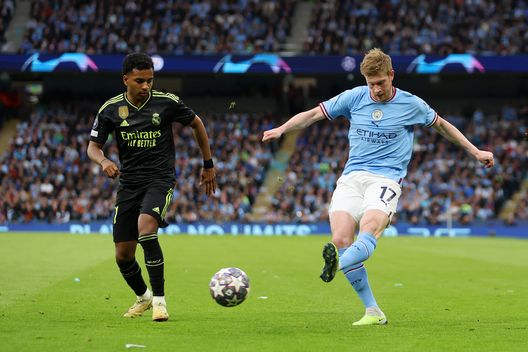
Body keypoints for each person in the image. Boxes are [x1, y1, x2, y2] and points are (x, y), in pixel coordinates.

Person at [262, 48, 494, 326]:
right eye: (371, 83)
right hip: (351, 178)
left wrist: (475, 151)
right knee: (340, 240)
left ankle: (343, 264)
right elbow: (312, 115)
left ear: (391, 75)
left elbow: (443, 126)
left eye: (381, 82)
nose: (377, 89)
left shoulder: (411, 104)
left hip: (385, 179)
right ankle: (373, 311)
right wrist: (281, 129)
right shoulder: (354, 97)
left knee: (369, 227)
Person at [87, 53, 216, 322]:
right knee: (123, 256)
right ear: (126, 80)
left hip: (160, 179)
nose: (146, 86)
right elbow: (93, 146)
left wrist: (208, 164)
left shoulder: (166, 103)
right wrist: (103, 161)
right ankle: (144, 297)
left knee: (146, 230)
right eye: (140, 81)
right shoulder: (110, 109)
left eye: (150, 80)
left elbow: (196, 123)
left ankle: (160, 302)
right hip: (129, 184)